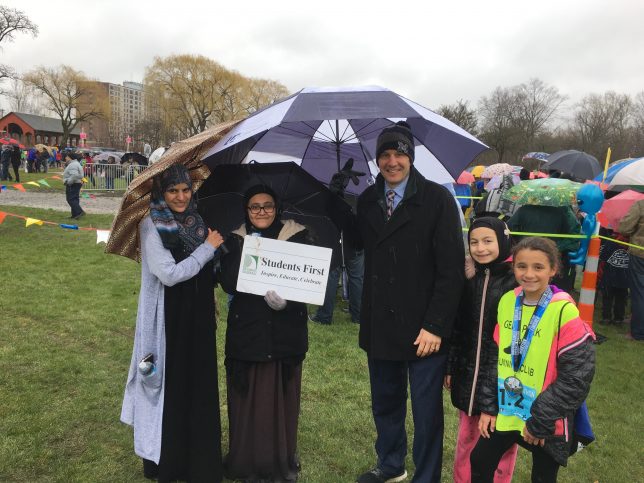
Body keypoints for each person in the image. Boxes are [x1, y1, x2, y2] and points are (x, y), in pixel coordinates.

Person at [355, 121, 465, 483]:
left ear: (410, 157)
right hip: (382, 323)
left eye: (399, 153)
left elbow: (450, 271)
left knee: (425, 410)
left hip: (423, 329)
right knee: (385, 402)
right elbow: (357, 244)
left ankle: (427, 475)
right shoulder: (369, 200)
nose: (392, 161)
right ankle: (390, 463)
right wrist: (337, 201)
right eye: (385, 154)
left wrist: (436, 325)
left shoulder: (436, 199)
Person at [121, 164, 225, 482]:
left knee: (198, 388)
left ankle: (200, 463)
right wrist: (208, 249)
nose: (180, 197)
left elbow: (207, 273)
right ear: (160, 193)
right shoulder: (152, 226)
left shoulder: (197, 221)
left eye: (185, 189)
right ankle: (169, 462)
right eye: (172, 190)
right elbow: (169, 274)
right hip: (168, 321)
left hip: (198, 318)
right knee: (169, 388)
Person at [471, 237, 595, 483]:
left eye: (538, 267)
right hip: (508, 409)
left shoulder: (564, 310)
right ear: (513, 267)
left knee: (543, 476)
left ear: (553, 270)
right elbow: (493, 357)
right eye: (522, 266)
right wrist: (488, 406)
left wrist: (541, 420)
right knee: (480, 460)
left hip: (544, 416)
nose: (529, 274)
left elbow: (578, 375)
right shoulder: (508, 301)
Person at [219, 184, 312, 482]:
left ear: (277, 208)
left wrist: (289, 299)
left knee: (281, 401)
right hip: (248, 334)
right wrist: (250, 253)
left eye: (268, 206)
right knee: (247, 400)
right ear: (246, 210)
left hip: (285, 334)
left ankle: (280, 460)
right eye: (255, 207)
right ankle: (246, 460)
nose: (262, 212)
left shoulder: (297, 234)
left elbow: (308, 278)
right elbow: (228, 282)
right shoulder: (235, 238)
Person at [445, 217, 518, 483]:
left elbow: (509, 348)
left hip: (502, 385)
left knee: (500, 446)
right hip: (468, 379)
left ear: (503, 240)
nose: (480, 248)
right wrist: (452, 365)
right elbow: (459, 326)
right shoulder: (469, 278)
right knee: (466, 440)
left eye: (488, 241)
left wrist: (492, 402)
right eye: (474, 241)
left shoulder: (515, 284)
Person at [507, 204, 580, 293]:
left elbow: (509, 228)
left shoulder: (524, 209)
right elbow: (575, 233)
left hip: (528, 254)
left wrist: (522, 243)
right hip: (554, 259)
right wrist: (556, 247)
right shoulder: (564, 210)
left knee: (527, 285)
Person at [618, 200, 644, 341]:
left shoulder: (640, 205)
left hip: (640, 255)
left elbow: (624, 228)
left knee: (639, 293)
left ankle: (638, 332)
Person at [597, 227, 629, 325]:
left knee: (607, 298)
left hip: (609, 275)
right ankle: (618, 319)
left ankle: (606, 317)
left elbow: (603, 256)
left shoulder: (611, 241)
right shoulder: (632, 243)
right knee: (621, 299)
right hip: (624, 278)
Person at [62, 152, 85, 219]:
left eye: (66, 157)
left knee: (70, 199)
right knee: (74, 199)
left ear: (70, 157)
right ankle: (75, 215)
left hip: (73, 184)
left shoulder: (73, 165)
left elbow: (74, 175)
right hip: (76, 183)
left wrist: (68, 182)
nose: (65, 158)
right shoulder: (75, 164)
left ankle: (79, 212)